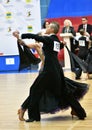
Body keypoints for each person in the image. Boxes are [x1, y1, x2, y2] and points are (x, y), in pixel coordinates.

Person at [13, 22, 88, 122]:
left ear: (52, 30)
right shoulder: (56, 40)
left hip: (49, 70)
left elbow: (35, 36)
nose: (46, 28)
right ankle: (80, 112)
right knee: (64, 92)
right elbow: (56, 47)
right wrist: (62, 44)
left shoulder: (49, 39)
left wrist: (21, 35)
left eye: (48, 27)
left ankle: (32, 116)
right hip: (57, 70)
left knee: (35, 90)